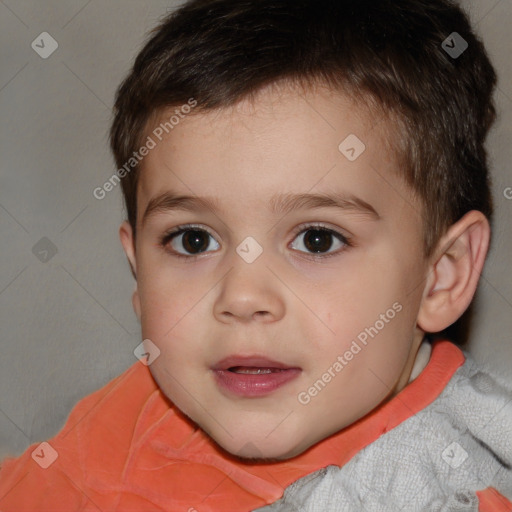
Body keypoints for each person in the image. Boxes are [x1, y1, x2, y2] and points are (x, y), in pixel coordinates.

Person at [1, 0, 511, 510]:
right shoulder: (131, 414)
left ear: (442, 275)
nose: (242, 297)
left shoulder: (442, 489)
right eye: (193, 240)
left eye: (317, 240)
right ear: (138, 269)